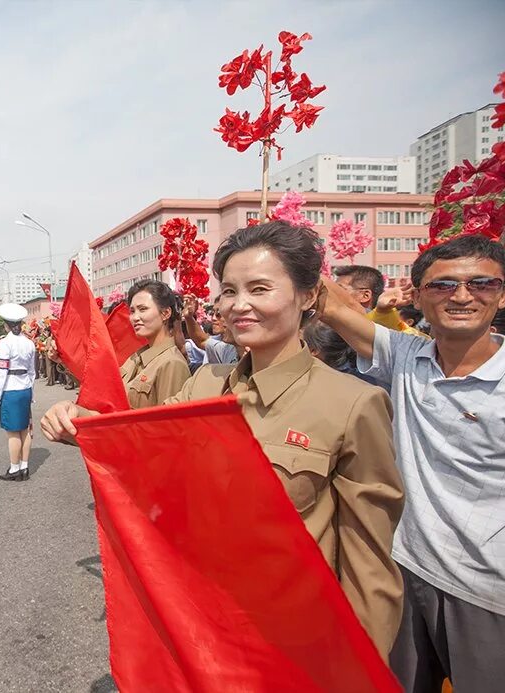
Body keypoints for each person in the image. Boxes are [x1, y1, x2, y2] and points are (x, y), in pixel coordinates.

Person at [41, 221, 405, 658]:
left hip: (291, 640)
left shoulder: (354, 402)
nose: (239, 305)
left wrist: (362, 667)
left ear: (308, 296)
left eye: (260, 288)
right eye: (229, 291)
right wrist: (78, 422)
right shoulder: (205, 385)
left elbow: (369, 563)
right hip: (202, 622)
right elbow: (138, 438)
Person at [317, 233, 505, 692]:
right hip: (407, 573)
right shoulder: (408, 357)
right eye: (443, 286)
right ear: (419, 296)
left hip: (491, 594)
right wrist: (285, 236)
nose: (463, 296)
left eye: (481, 284)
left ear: (504, 294)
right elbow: (333, 307)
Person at [120, 279, 191, 408]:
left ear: (165, 313)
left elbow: (168, 422)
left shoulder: (172, 363)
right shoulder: (135, 358)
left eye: (143, 309)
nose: (135, 317)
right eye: (132, 311)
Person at [0, 303, 37, 482]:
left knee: (13, 432)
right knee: (25, 430)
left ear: (6, 325)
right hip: (25, 389)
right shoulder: (29, 343)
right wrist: (31, 393)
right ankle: (25, 466)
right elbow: (33, 372)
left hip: (10, 391)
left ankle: (14, 468)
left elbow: (1, 373)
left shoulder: (4, 343)